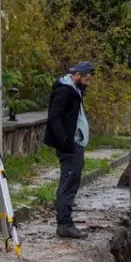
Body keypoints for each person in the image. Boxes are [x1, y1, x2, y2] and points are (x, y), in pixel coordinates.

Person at [44, 61, 94, 239]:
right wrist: (65, 141)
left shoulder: (74, 90)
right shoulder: (64, 91)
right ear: (77, 75)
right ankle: (64, 224)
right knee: (69, 182)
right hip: (70, 145)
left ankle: (66, 222)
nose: (88, 84)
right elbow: (54, 117)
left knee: (72, 180)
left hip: (74, 143)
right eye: (86, 80)